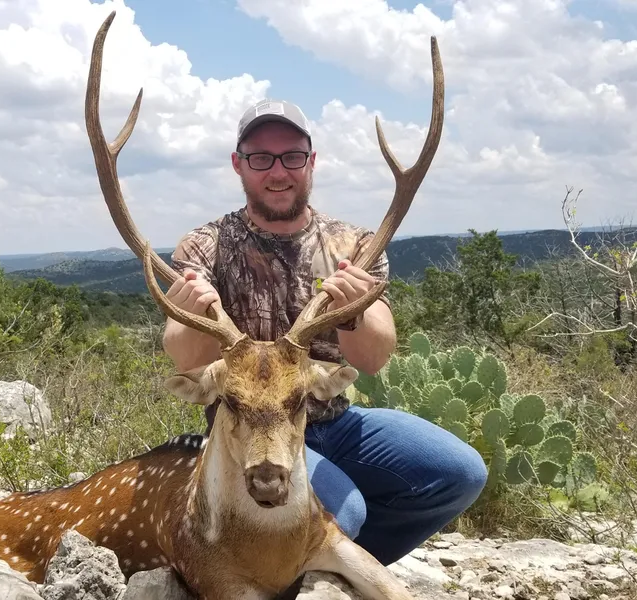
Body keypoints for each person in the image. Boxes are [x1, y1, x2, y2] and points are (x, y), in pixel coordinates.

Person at [160, 98, 487, 566]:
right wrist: (192, 311)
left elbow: (373, 358)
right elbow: (184, 358)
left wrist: (354, 312)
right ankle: (319, 559)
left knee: (459, 473)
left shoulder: (356, 245)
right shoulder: (204, 247)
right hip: (249, 436)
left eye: (292, 156)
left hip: (335, 422)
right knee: (345, 510)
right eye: (261, 158)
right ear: (238, 164)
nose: (278, 172)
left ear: (311, 161)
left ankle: (332, 564)